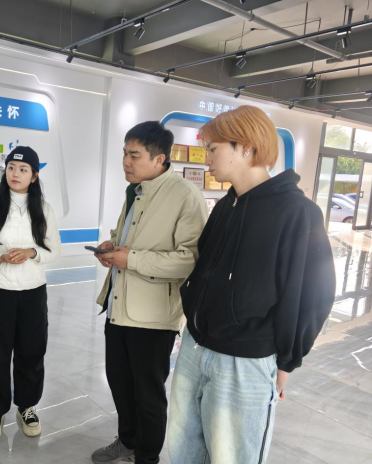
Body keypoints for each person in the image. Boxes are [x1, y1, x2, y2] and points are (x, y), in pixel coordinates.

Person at [167, 106, 336, 464]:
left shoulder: (298, 213)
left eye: (213, 148)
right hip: (195, 348)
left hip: (244, 362)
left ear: (246, 147)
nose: (207, 157)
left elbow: (313, 296)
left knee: (233, 457)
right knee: (183, 452)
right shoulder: (226, 205)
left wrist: (287, 362)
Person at [91, 122, 208, 464]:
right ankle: (127, 441)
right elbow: (127, 237)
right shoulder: (135, 190)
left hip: (154, 317)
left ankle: (147, 457)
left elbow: (190, 259)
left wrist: (132, 259)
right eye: (124, 154)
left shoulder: (185, 196)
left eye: (134, 155)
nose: (125, 162)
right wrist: (111, 246)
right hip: (119, 307)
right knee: (120, 384)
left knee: (148, 395)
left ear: (159, 159)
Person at [0, 146, 61, 442]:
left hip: (33, 293)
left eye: (23, 169)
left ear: (34, 176)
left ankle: (27, 406)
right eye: (11, 168)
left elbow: (54, 250)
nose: (15, 174)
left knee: (31, 352)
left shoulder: (44, 209)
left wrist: (32, 252)